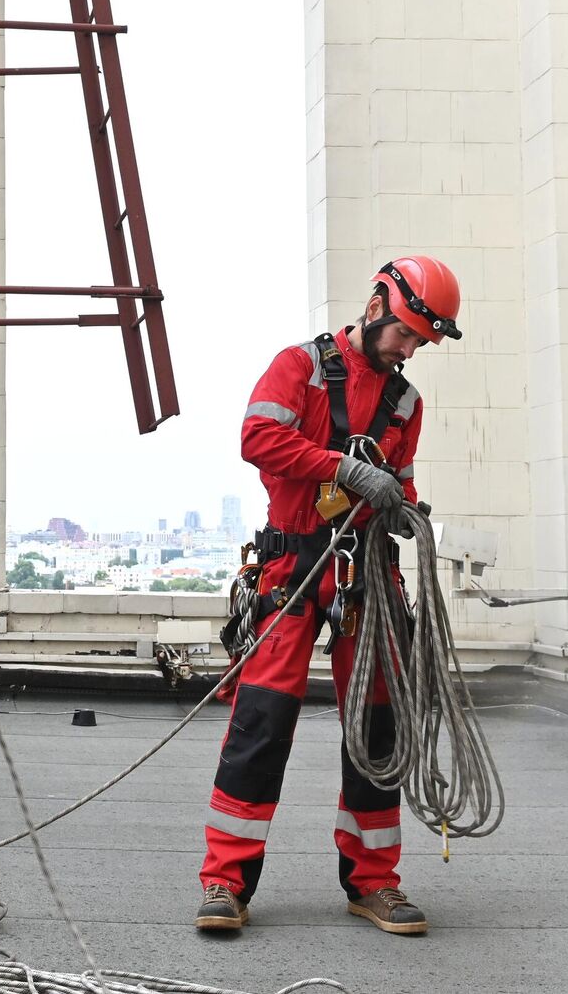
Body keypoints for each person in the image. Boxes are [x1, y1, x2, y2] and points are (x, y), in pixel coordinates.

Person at [194, 256, 462, 938]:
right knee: (261, 721)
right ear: (376, 304)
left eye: (419, 343)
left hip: (366, 573)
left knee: (377, 730)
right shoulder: (301, 368)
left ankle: (374, 880)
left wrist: (405, 505)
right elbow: (258, 437)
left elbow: (397, 483)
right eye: (405, 333)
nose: (409, 350)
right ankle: (226, 880)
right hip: (293, 565)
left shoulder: (405, 404)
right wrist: (343, 467)